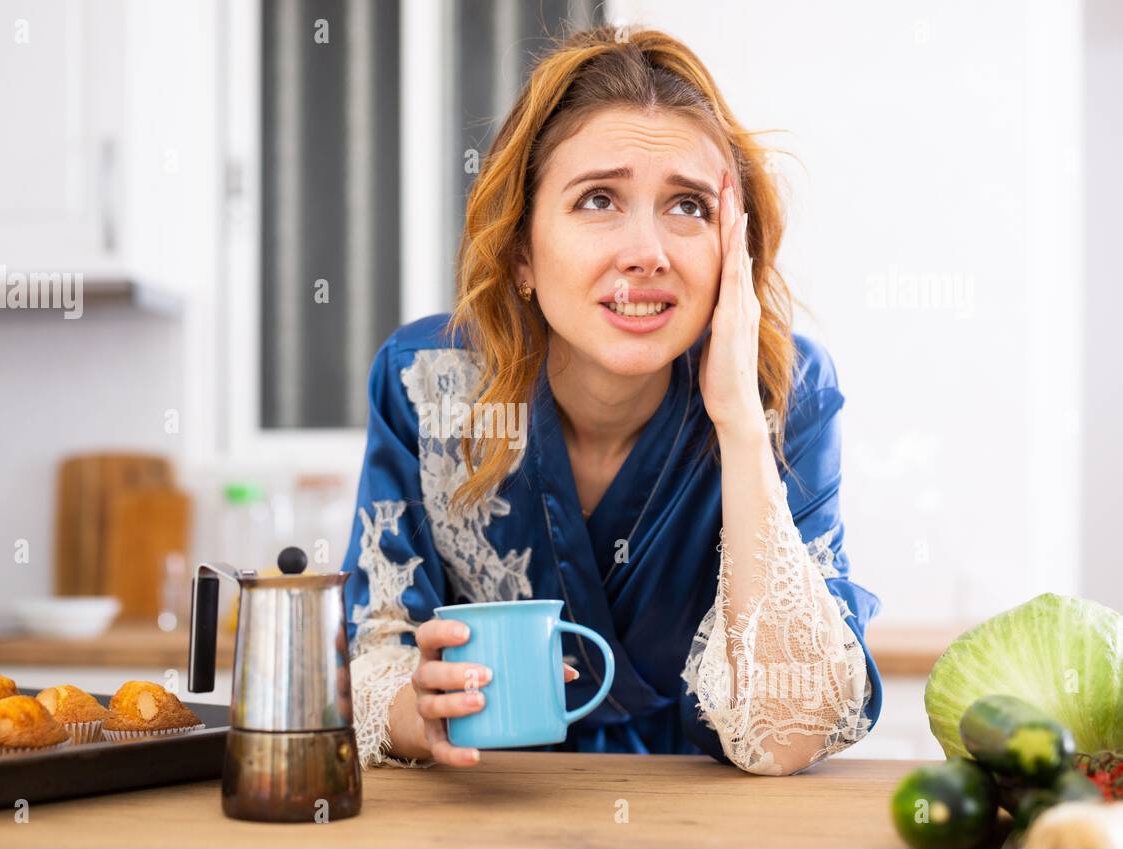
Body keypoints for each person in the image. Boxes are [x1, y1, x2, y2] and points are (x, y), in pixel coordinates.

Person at [341, 24, 882, 776]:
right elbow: (376, 653)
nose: (648, 252)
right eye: (599, 199)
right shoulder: (423, 381)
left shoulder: (785, 392)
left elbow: (788, 732)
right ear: (523, 249)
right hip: (493, 812)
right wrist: (417, 711)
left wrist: (736, 421)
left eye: (689, 207)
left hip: (714, 826)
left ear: (735, 244)